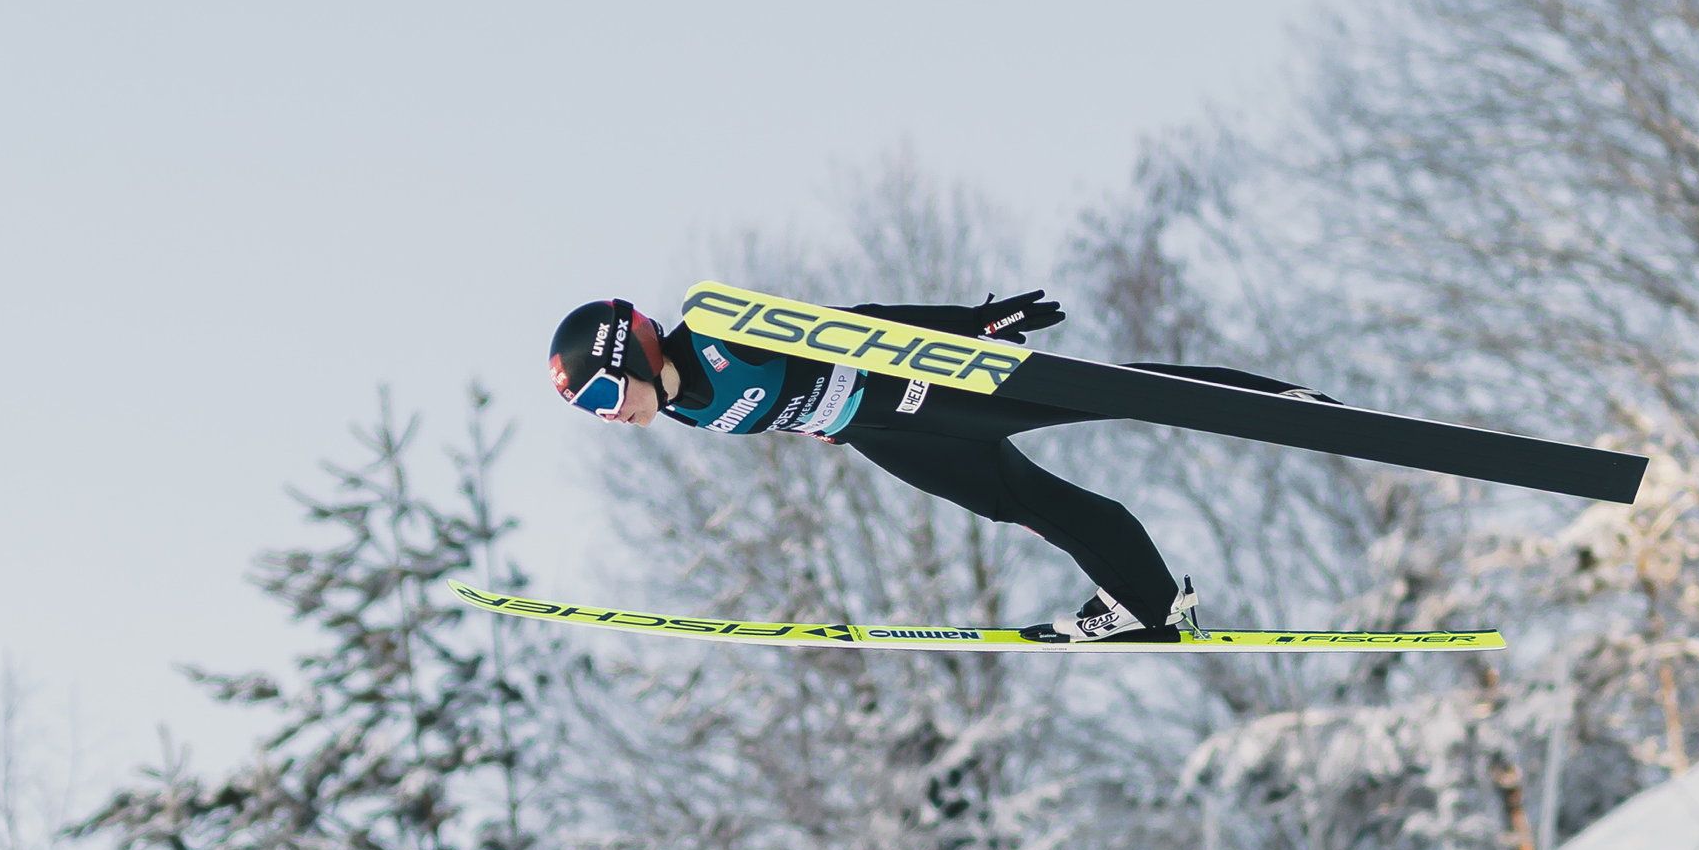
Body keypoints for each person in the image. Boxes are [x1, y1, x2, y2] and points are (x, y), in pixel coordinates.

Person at [548, 288, 1325, 643]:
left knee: (1109, 394)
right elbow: (779, 400)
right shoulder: (682, 407)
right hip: (881, 434)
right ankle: (1149, 602)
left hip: (916, 388)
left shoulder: (717, 328)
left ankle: (1279, 401)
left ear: (635, 354)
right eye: (595, 409)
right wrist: (815, 421)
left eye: (608, 391)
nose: (613, 413)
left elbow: (855, 325)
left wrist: (972, 326)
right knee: (1025, 503)